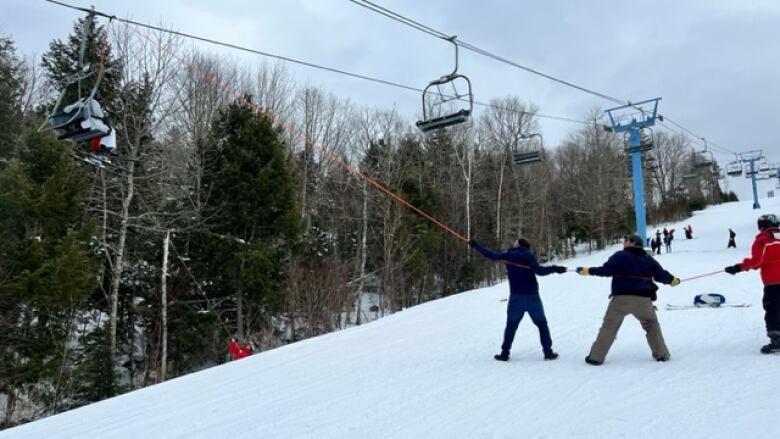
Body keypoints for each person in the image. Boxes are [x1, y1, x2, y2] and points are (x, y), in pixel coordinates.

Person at [576, 234, 681, 365]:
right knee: (651, 324)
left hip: (620, 299)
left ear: (632, 243)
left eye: (625, 240)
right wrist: (672, 280)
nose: (623, 242)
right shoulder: (648, 259)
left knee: (608, 327)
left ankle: (595, 358)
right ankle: (662, 354)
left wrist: (587, 271)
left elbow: (605, 270)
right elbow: (661, 275)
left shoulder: (620, 256)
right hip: (643, 300)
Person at [469, 238, 568, 361]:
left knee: (511, 325)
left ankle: (504, 354)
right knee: (542, 324)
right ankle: (548, 352)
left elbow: (491, 255)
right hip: (532, 297)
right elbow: (540, 271)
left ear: (518, 244)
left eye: (515, 242)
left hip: (516, 297)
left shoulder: (508, 255)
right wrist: (555, 269)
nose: (513, 243)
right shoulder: (529, 256)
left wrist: (475, 245)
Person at [723, 214, 780, 354]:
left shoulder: (762, 240)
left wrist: (737, 268)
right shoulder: (777, 239)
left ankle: (777, 339)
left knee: (772, 309)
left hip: (773, 283)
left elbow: (757, 261)